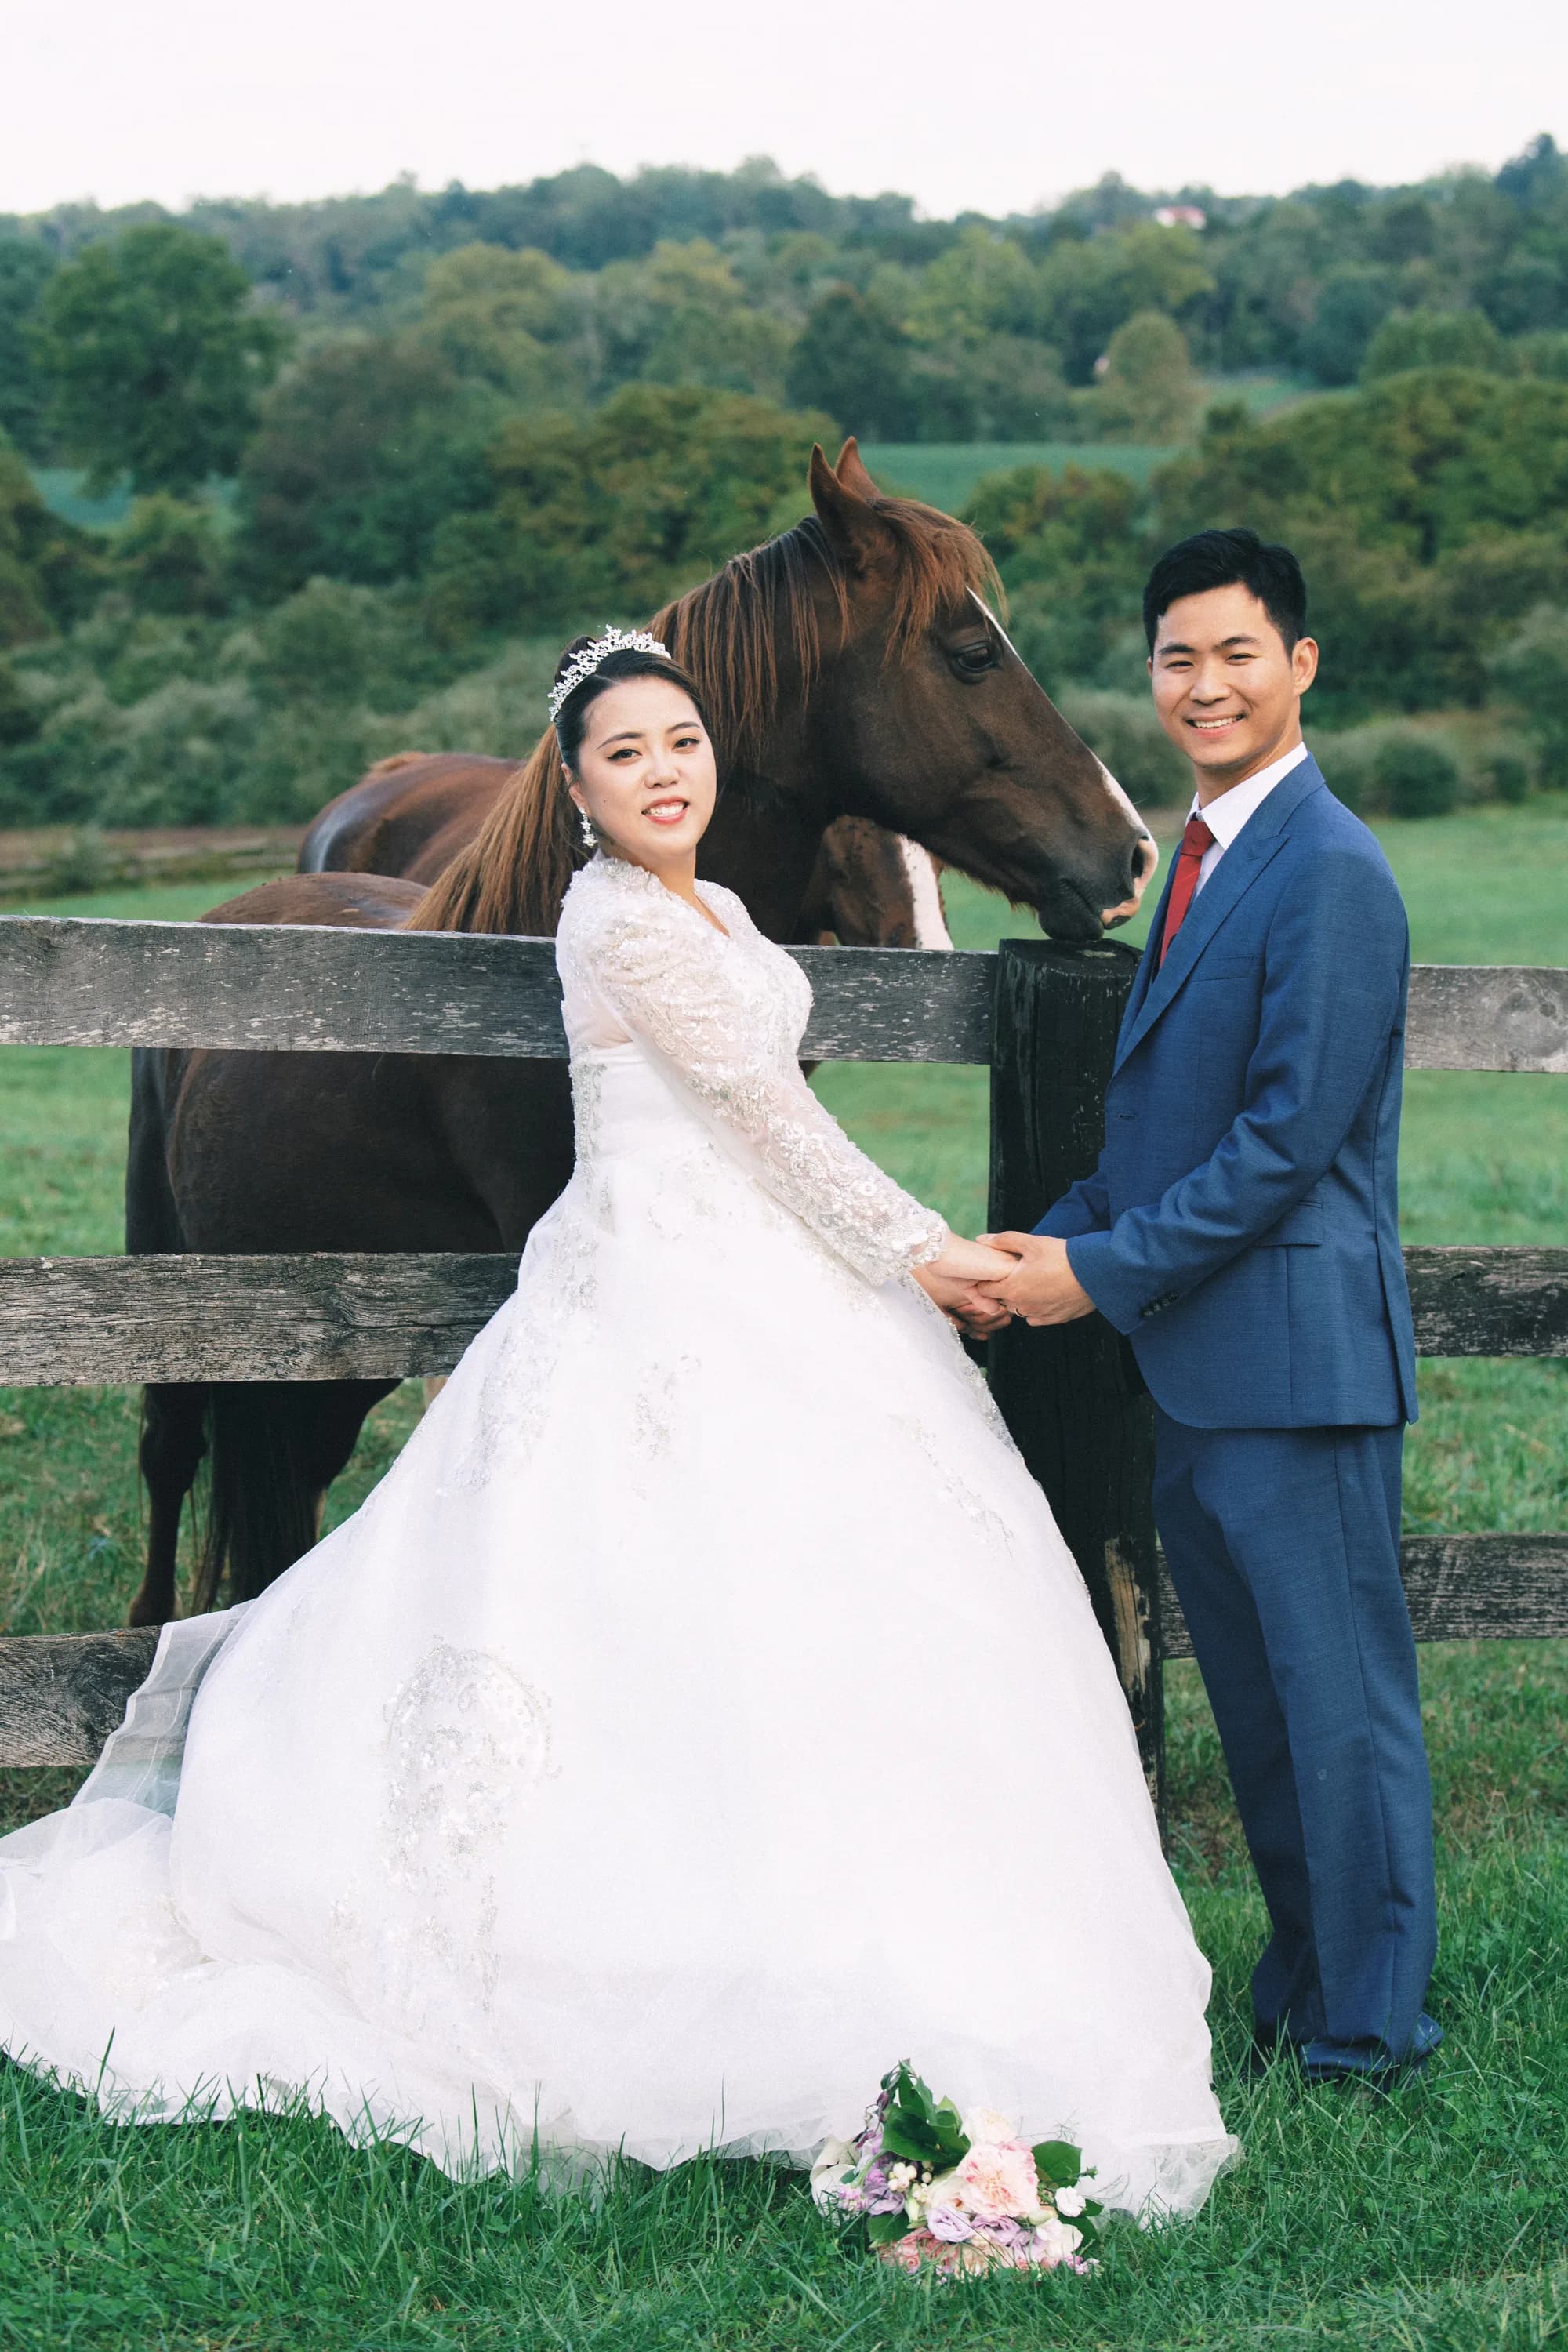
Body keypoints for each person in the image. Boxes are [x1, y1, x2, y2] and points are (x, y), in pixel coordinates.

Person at [0, 628, 1235, 2216]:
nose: (665, 773)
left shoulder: (711, 906)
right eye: (626, 755)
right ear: (577, 793)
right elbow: (769, 1124)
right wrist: (924, 1252)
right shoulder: (620, 925)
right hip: (666, 1282)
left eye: (683, 743)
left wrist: (896, 1257)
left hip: (762, 1280)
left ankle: (834, 1926)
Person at [980, 532, 1439, 2085]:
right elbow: (1151, 1146)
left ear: (1300, 665)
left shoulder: (1330, 871)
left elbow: (1281, 1146)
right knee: (1261, 1718)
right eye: (1178, 657)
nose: (1205, 684)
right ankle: (1300, 1984)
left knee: (1343, 1720)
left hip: (1299, 1372)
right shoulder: (1191, 864)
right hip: (1198, 1373)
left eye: (1237, 653)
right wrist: (1016, 1260)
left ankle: (1372, 2029)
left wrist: (1090, 1278)